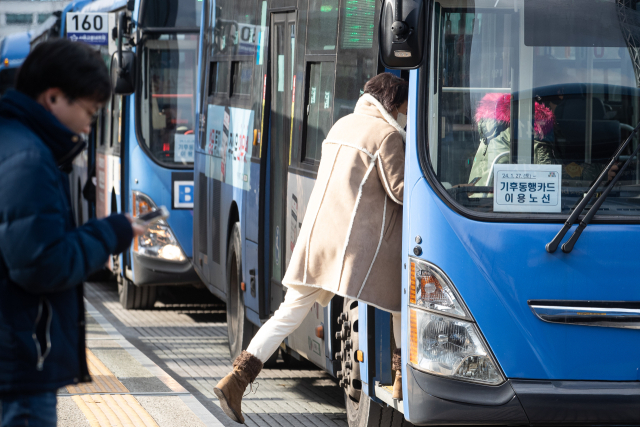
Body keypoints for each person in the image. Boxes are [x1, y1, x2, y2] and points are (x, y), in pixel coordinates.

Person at [214, 73, 408, 424]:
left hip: (317, 239)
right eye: (406, 106)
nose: (408, 113)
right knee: (398, 299)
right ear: (395, 103)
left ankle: (236, 379)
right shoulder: (388, 135)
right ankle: (400, 380)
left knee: (289, 313)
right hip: (352, 249)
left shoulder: (341, 125)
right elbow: (401, 191)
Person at [0, 39, 144, 427]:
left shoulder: (14, 142)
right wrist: (111, 233)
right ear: (52, 97)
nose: (91, 122)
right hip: (19, 360)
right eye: (90, 109)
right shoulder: (29, 160)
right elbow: (41, 265)